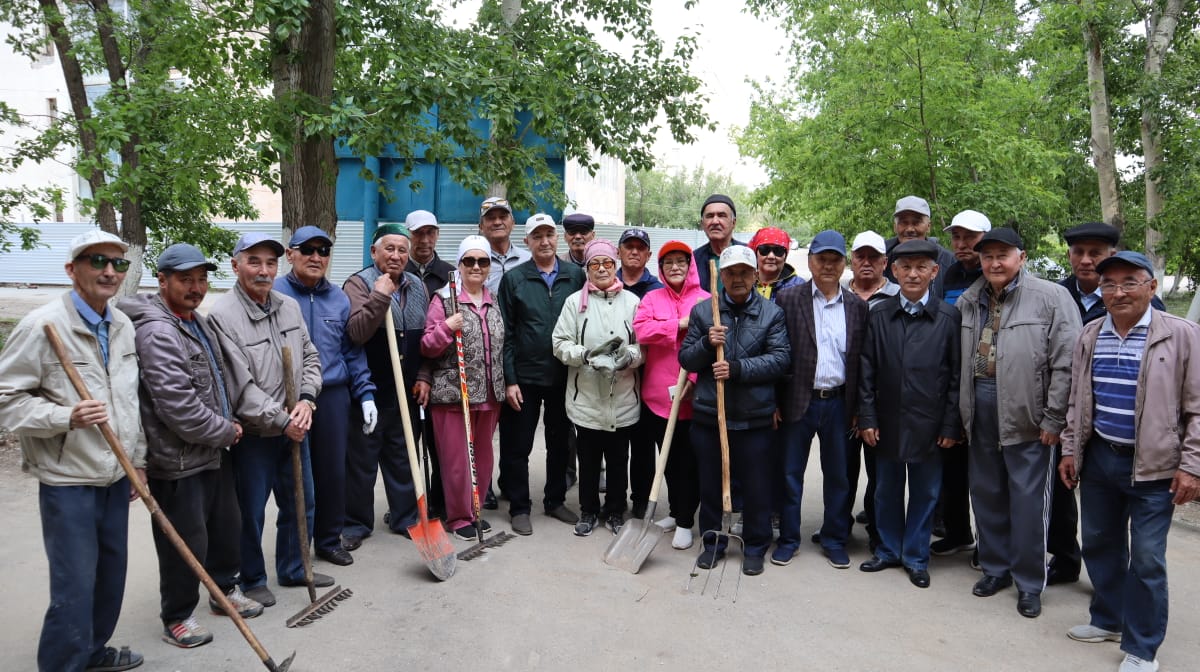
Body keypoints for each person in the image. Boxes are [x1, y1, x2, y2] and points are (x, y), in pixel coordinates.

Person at [0, 229, 146, 672]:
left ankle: (93, 652)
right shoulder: (42, 326)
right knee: (75, 584)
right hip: (69, 480)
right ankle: (64, 663)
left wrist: (136, 462)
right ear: (72, 269)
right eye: (96, 261)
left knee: (110, 576)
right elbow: (7, 401)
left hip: (116, 476)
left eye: (117, 263)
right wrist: (65, 417)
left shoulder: (121, 325)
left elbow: (129, 401)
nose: (108, 271)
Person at [1059, 251, 1200, 672]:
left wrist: (1192, 465)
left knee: (1147, 558)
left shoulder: (1182, 334)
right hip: (1101, 457)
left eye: (1129, 283)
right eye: (1109, 285)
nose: (1118, 293)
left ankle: (1142, 647)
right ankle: (1109, 618)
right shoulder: (1090, 334)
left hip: (1155, 466)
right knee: (1100, 544)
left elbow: (1197, 407)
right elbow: (1077, 400)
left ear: (1151, 287)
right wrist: (1071, 448)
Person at [117, 244, 262, 651]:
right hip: (178, 459)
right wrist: (226, 431)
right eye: (185, 279)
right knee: (184, 542)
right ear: (162, 281)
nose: (196, 287)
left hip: (212, 451)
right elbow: (178, 407)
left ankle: (222, 592)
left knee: (225, 528)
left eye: (201, 279)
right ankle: (178, 616)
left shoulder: (195, 321)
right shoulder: (158, 330)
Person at [957, 227, 1080, 619]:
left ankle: (1030, 582)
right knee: (987, 493)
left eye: (1002, 255)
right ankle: (995, 569)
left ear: (1021, 257)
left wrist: (1054, 417)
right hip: (980, 408)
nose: (994, 262)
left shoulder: (1052, 297)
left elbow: (1067, 362)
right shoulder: (970, 299)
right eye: (987, 255)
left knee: (1028, 504)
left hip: (1029, 414)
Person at [207, 232, 326, 609]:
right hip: (256, 433)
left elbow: (310, 357)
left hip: (295, 424)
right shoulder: (222, 316)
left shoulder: (287, 307)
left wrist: (307, 400)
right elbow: (239, 386)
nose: (263, 270)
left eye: (270, 263)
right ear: (236, 265)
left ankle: (294, 567)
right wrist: (280, 419)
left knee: (300, 502)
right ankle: (252, 577)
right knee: (250, 511)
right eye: (254, 261)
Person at [1049, 222, 1166, 586]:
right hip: (1073, 418)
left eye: (1095, 253)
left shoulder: (1149, 308)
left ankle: (1129, 590)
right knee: (1065, 499)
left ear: (1110, 255)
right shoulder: (1058, 294)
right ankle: (1067, 562)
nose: (1085, 260)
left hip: (1135, 434)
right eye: (1078, 253)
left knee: (1133, 526)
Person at [857, 239, 962, 589]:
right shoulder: (879, 313)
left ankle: (916, 555)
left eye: (921, 267)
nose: (913, 274)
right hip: (886, 420)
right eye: (906, 267)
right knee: (885, 489)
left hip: (929, 423)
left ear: (934, 272)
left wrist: (950, 423)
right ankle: (888, 549)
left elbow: (956, 375)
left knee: (925, 492)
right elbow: (867, 369)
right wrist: (867, 417)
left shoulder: (949, 317)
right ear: (894, 271)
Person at [680, 245, 790, 576]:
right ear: (721, 278)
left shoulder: (772, 313)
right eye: (730, 273)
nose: (738, 278)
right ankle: (713, 543)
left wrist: (737, 368)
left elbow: (782, 358)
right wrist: (705, 344)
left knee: (757, 488)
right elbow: (686, 359)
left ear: (755, 275)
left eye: (744, 272)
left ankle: (755, 546)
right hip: (710, 417)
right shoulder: (704, 313)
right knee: (710, 486)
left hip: (754, 419)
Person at [275, 226, 377, 567]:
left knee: (333, 473)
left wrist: (365, 394)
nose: (316, 257)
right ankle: (295, 550)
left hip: (332, 396)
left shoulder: (339, 298)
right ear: (290, 254)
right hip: (287, 397)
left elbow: (352, 351)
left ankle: (330, 540)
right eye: (307, 250)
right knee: (294, 477)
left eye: (323, 251)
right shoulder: (275, 294)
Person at [774, 231, 869, 570]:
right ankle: (788, 539)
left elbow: (862, 361)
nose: (828, 265)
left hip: (840, 404)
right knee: (789, 474)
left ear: (845, 264)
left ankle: (834, 539)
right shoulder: (788, 299)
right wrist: (774, 402)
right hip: (798, 400)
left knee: (839, 476)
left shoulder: (858, 307)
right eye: (822, 259)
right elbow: (777, 353)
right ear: (810, 261)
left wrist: (860, 408)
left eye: (836, 260)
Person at [497, 213, 586, 535]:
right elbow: (505, 333)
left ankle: (555, 500)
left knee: (560, 443)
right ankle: (520, 507)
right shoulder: (515, 279)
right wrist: (510, 379)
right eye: (538, 236)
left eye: (549, 235)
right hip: (525, 377)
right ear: (527, 242)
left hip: (564, 374)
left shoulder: (576, 276)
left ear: (557, 238)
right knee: (518, 445)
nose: (545, 241)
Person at [342, 223, 428, 549]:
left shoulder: (418, 286)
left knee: (403, 456)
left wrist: (424, 377)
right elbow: (357, 333)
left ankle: (405, 516)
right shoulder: (357, 284)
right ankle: (355, 523)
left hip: (404, 390)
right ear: (374, 252)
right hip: (368, 390)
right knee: (361, 461)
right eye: (389, 248)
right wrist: (380, 295)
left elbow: (425, 339)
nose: (396, 255)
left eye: (402, 250)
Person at [416, 235, 506, 540]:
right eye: (470, 261)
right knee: (456, 461)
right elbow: (427, 346)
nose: (476, 266)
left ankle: (475, 510)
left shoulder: (493, 299)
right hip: (454, 395)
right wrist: (446, 327)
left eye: (483, 261)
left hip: (490, 395)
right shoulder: (444, 299)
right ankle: (458, 517)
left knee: (482, 458)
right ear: (460, 264)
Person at [553, 239, 644, 536]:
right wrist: (585, 356)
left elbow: (644, 345)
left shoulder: (632, 302)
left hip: (622, 398)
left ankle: (615, 511)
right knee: (589, 461)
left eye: (607, 263)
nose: (602, 269)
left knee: (619, 461)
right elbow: (559, 343)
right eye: (595, 264)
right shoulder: (573, 303)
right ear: (587, 269)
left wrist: (628, 357)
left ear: (615, 264)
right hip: (587, 398)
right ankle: (589, 511)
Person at [633, 240, 709, 550]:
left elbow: (710, 343)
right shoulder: (652, 298)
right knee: (667, 461)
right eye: (668, 263)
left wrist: (692, 379)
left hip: (691, 395)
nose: (675, 267)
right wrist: (678, 324)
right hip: (657, 397)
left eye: (681, 261)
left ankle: (687, 521)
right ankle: (676, 513)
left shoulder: (705, 300)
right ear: (661, 269)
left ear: (690, 265)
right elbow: (641, 330)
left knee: (687, 463)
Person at [933, 209, 991, 561]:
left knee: (985, 473)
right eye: (956, 237)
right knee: (951, 465)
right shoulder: (950, 274)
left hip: (986, 380)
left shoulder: (995, 274)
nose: (962, 243)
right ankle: (957, 532)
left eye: (969, 236)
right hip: (952, 378)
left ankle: (992, 545)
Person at [842, 230, 900, 553]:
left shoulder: (897, 296)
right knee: (843, 469)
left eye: (873, 257)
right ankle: (840, 528)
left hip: (882, 400)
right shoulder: (836, 293)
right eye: (860, 256)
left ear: (885, 262)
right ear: (852, 260)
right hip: (843, 397)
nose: (866, 262)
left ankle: (880, 533)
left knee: (881, 474)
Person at [402, 209, 452, 518]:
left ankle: (440, 502)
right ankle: (409, 506)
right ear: (409, 236)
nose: (425, 239)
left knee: (440, 445)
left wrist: (429, 373)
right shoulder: (396, 270)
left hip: (440, 371)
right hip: (403, 370)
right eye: (418, 233)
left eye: (430, 233)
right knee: (407, 445)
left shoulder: (449, 274)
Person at [617, 227, 663, 517]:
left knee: (644, 446)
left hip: (649, 378)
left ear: (648, 254)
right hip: (616, 379)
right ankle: (615, 501)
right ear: (619, 251)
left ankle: (642, 501)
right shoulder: (606, 282)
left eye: (639, 247)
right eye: (628, 246)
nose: (634, 251)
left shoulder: (657, 289)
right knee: (618, 446)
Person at [883, 195, 956, 298]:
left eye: (916, 222)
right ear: (895, 227)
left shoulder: (947, 261)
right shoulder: (882, 259)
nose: (910, 229)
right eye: (904, 222)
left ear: (928, 226)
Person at [693, 194, 747, 291]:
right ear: (702, 224)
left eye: (722, 215)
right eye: (709, 216)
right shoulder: (693, 259)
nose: (715, 221)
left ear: (733, 223)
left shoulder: (748, 254)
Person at [479, 196, 531, 293]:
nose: (497, 222)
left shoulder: (528, 260)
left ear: (513, 223)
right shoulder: (474, 263)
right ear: (481, 226)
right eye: (491, 218)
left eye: (503, 217)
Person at [749, 227, 801, 299]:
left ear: (785, 256)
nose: (771, 256)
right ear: (756, 253)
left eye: (778, 251)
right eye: (764, 250)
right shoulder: (744, 284)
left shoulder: (799, 287)